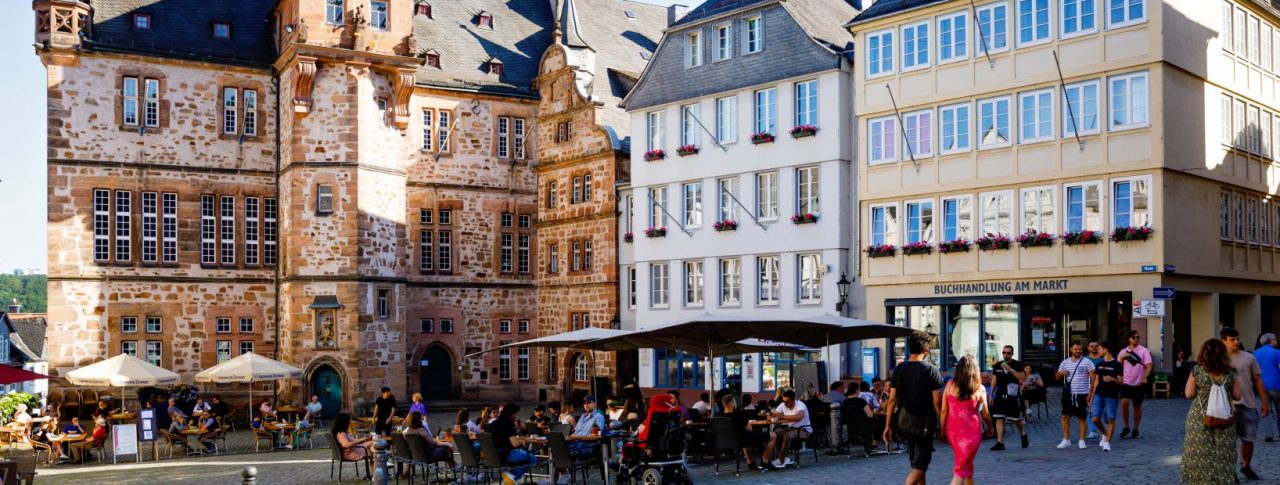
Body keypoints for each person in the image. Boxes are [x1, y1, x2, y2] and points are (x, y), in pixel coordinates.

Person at [883, 331, 944, 485]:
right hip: (924, 423)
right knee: (921, 465)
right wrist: (942, 424)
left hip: (905, 421)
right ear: (927, 349)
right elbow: (936, 401)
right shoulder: (931, 370)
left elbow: (891, 400)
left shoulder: (899, 369)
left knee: (916, 462)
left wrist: (887, 425)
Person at [1181, 339, 1242, 485]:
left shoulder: (1197, 370)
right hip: (1225, 419)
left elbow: (1189, 394)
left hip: (1200, 418)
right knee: (1223, 453)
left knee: (1200, 452)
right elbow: (1237, 396)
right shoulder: (1230, 372)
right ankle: (1223, 479)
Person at [1222, 327, 1271, 480]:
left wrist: (1264, 401)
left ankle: (1246, 465)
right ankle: (1230, 470)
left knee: (1248, 439)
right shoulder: (1218, 358)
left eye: (1238, 339)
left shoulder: (1249, 358)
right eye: (1232, 339)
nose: (1236, 342)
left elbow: (1257, 380)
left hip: (1248, 403)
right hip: (1226, 406)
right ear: (1224, 340)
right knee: (1228, 441)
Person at [940, 355, 993, 485]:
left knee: (966, 465)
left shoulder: (950, 384)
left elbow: (944, 410)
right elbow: (985, 414)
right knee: (961, 469)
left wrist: (942, 430)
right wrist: (990, 428)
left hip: (953, 431)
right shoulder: (979, 388)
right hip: (971, 433)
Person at [1055, 342, 1095, 450]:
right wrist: (1061, 373)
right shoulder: (1065, 362)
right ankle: (1066, 439)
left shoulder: (1087, 362)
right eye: (1076, 349)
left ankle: (1082, 440)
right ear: (1071, 349)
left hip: (1082, 393)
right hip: (1068, 393)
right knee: (1064, 416)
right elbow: (1057, 377)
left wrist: (1091, 392)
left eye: (1080, 349)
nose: (1078, 351)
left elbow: (1093, 378)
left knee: (1082, 417)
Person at [989, 345, 1028, 450]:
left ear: (1012, 354)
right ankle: (1000, 442)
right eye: (1004, 352)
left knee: (1016, 419)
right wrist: (991, 395)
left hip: (1012, 395)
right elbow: (994, 380)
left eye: (1008, 353)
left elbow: (1023, 377)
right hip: (999, 395)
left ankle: (1023, 433)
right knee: (999, 418)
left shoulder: (1017, 364)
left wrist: (1010, 369)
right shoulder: (997, 365)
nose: (1006, 355)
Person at [1116, 330, 1153, 439]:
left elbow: (1149, 365)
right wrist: (1123, 357)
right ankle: (1126, 426)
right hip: (1126, 382)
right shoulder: (1123, 351)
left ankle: (1135, 429)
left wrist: (1145, 377)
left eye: (1138, 337)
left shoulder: (1144, 350)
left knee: (1137, 405)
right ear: (1129, 339)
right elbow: (1117, 365)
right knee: (1124, 403)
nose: (1136, 339)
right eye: (1133, 337)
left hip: (1138, 383)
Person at [762, 389, 809, 470]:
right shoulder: (783, 405)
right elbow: (770, 416)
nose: (785, 404)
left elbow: (798, 417)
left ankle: (781, 459)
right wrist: (772, 415)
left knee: (787, 435)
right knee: (774, 434)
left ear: (794, 400)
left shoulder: (800, 405)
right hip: (791, 428)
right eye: (784, 401)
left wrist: (782, 416)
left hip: (804, 429)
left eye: (787, 402)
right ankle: (782, 458)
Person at [489, 403, 536, 485]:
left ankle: (510, 477)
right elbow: (515, 444)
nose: (516, 416)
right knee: (532, 458)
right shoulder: (508, 423)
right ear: (512, 414)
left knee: (522, 458)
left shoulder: (494, 423)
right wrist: (522, 442)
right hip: (507, 454)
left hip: (494, 455)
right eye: (516, 414)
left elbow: (504, 438)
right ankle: (512, 476)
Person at [723, 394, 773, 471]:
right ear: (730, 404)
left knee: (744, 435)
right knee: (773, 435)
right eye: (735, 402)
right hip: (742, 441)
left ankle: (750, 463)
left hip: (725, 442)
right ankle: (765, 462)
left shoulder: (719, 415)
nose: (736, 404)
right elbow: (749, 428)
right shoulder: (738, 414)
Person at [1090, 340, 1123, 452]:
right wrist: (1092, 395)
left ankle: (1107, 442)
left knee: (1110, 419)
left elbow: (1121, 381)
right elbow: (1096, 381)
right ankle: (1104, 434)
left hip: (1111, 395)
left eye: (1099, 348)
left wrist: (1112, 379)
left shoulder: (1117, 364)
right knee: (1095, 418)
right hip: (1099, 394)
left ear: (1106, 349)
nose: (1097, 350)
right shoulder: (1099, 364)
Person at [1253, 333, 1280, 442]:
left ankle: (1269, 435)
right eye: (1275, 340)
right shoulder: (1277, 352)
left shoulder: (1255, 353)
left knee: (1265, 409)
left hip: (1261, 386)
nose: (1276, 342)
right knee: (1279, 410)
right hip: (1276, 384)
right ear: (1271, 341)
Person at [1085, 340, 1104, 439]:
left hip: (1102, 387)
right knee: (1090, 410)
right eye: (1091, 346)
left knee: (1102, 410)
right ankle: (1092, 430)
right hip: (1088, 387)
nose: (1094, 347)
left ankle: (1103, 431)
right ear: (1088, 348)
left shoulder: (1102, 359)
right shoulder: (1085, 359)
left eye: (1096, 346)